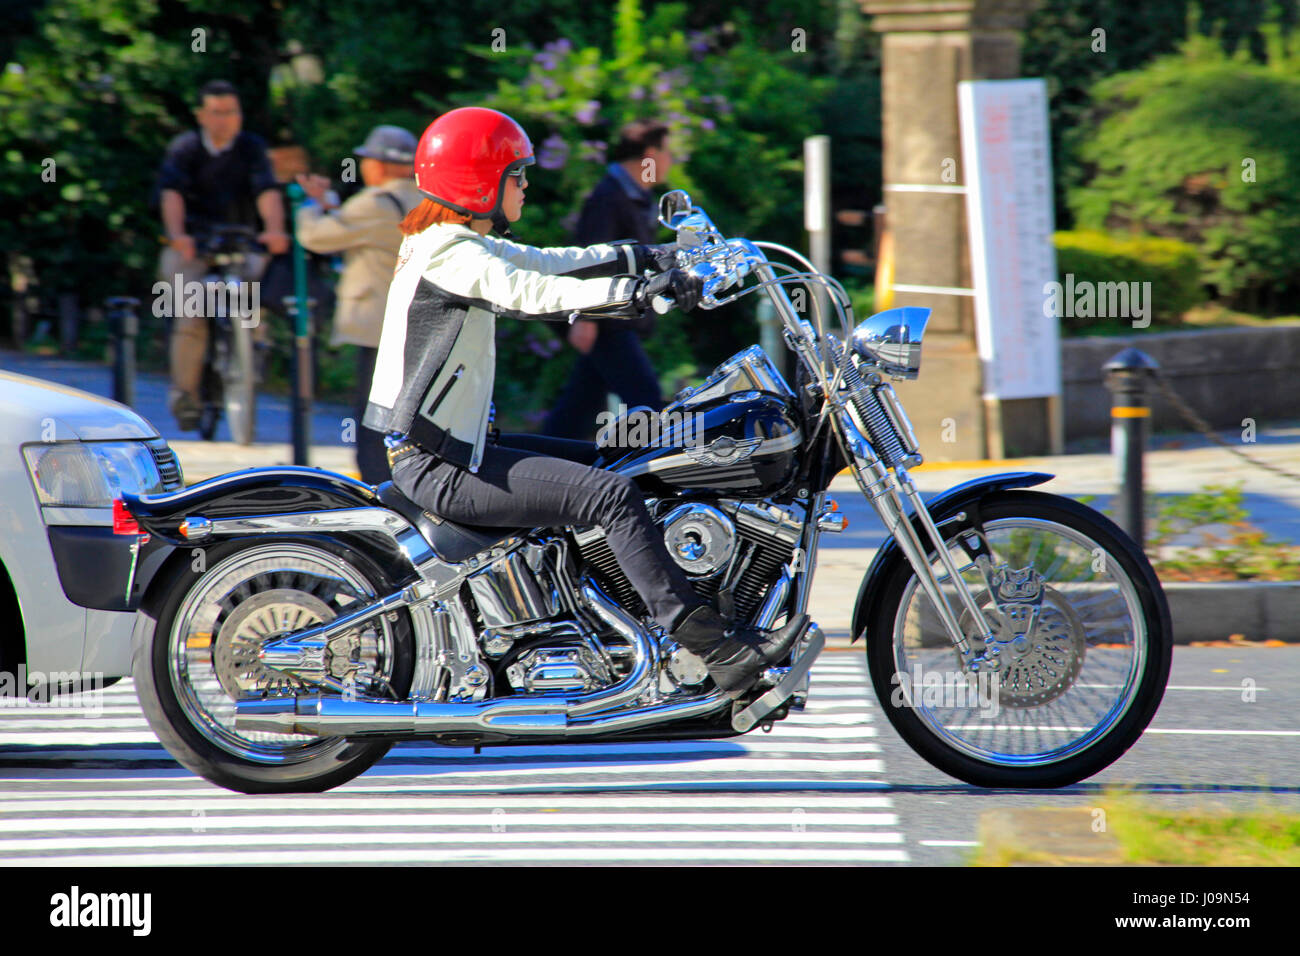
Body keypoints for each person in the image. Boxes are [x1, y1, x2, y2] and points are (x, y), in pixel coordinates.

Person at [365, 107, 804, 700]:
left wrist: (653, 260)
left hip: (457, 449)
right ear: (479, 182)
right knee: (611, 494)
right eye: (517, 175)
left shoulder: (456, 241)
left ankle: (607, 625)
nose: (525, 185)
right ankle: (714, 647)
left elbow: (550, 262)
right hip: (440, 465)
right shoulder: (451, 254)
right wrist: (636, 296)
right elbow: (532, 292)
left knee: (615, 463)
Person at [155, 79, 290, 429]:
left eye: (231, 112)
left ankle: (251, 358)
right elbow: (172, 194)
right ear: (201, 115)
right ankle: (185, 396)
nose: (225, 120)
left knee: (257, 301)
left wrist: (273, 229)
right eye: (217, 113)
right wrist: (178, 235)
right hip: (195, 243)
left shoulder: (252, 148)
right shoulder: (184, 148)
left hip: (242, 240)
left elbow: (267, 191)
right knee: (189, 311)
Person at [294, 125, 422, 484]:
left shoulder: (377, 202)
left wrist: (307, 207)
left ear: (379, 165)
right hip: (418, 324)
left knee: (373, 422)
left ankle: (380, 490)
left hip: (377, 327)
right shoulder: (425, 199)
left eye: (366, 159)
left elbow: (318, 236)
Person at [542, 120, 674, 440]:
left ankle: (542, 457)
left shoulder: (635, 196)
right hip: (608, 318)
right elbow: (591, 257)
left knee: (579, 406)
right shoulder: (609, 197)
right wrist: (586, 317)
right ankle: (652, 474)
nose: (672, 160)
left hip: (617, 316)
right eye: (668, 152)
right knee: (646, 400)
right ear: (649, 154)